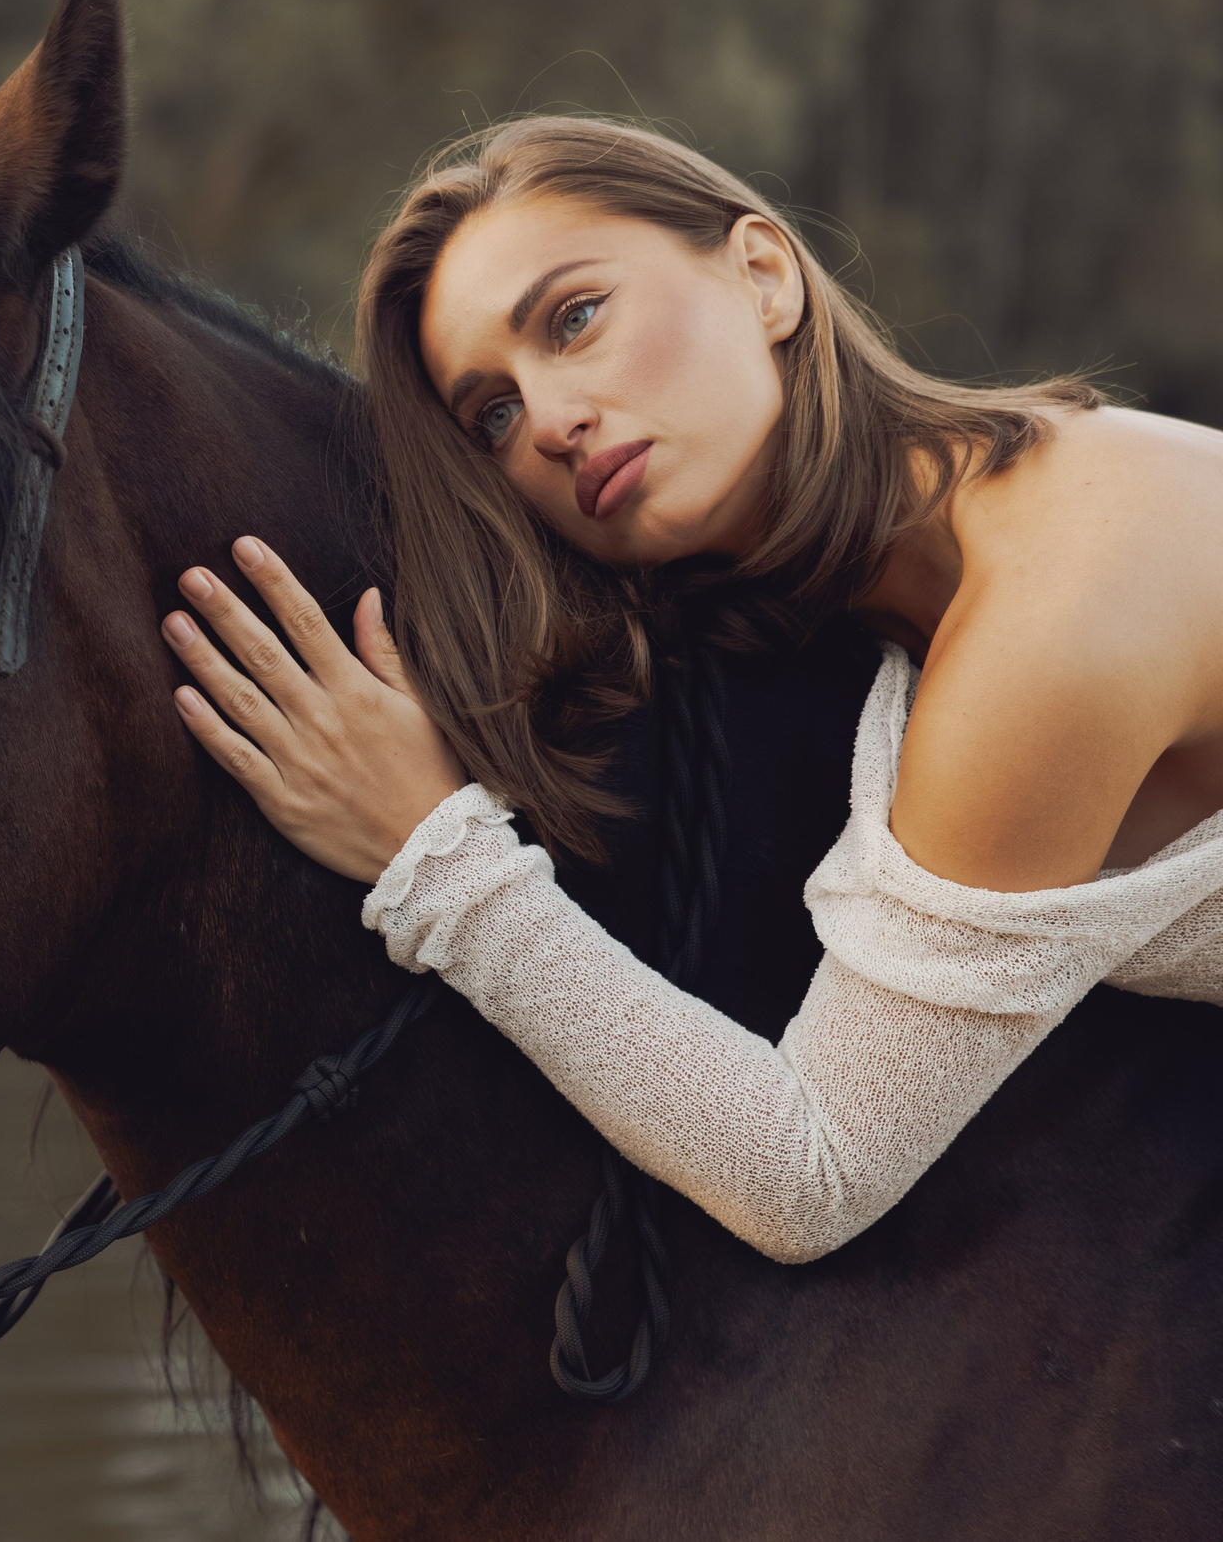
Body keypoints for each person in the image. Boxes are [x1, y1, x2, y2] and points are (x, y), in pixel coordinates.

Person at [162, 116, 1223, 1264]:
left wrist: (437, 862)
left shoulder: (1056, 606)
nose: (554, 423)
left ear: (764, 277)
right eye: (495, 415)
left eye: (574, 318)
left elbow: (812, 1176)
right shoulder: (952, 550)